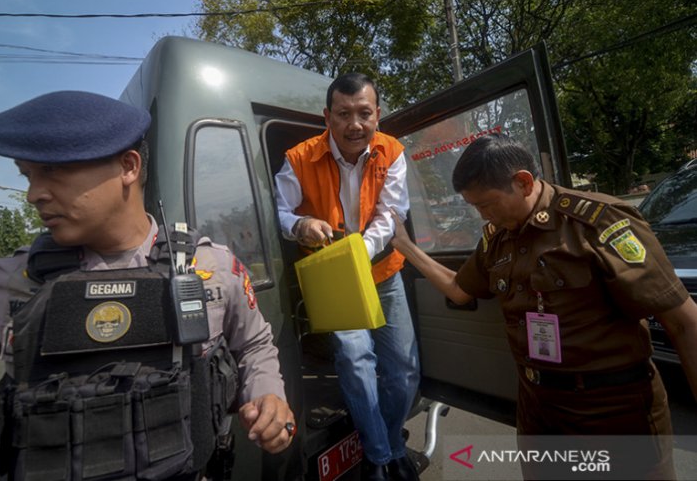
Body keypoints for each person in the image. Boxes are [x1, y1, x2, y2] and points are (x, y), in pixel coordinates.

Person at [0, 91, 295, 480]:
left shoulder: (209, 266)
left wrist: (267, 393)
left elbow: (254, 345)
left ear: (128, 166)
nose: (34, 193)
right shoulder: (12, 280)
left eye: (53, 171)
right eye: (28, 175)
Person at [391, 133, 697, 480]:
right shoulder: (498, 237)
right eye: (475, 206)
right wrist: (404, 245)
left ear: (522, 182)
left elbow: (685, 323)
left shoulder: (595, 223)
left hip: (611, 411)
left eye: (487, 204)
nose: (482, 215)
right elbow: (460, 291)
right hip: (540, 409)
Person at [275, 73, 420, 481]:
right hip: (332, 275)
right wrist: (300, 226)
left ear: (378, 115)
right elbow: (281, 212)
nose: (354, 124)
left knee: (403, 369)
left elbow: (392, 215)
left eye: (364, 113)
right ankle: (379, 458)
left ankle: (392, 445)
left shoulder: (392, 151)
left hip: (382, 272)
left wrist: (359, 251)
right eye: (343, 114)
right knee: (356, 363)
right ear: (327, 116)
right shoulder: (298, 158)